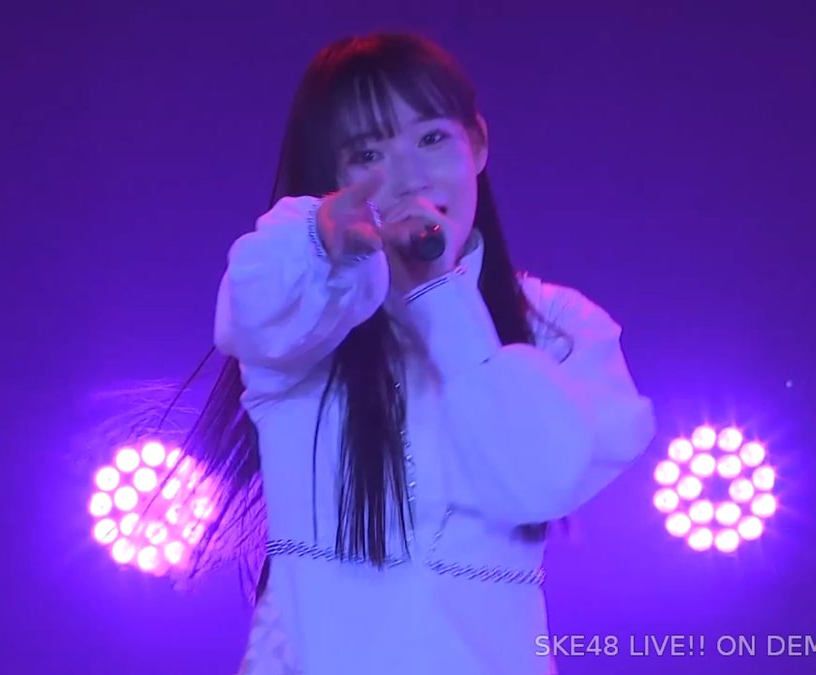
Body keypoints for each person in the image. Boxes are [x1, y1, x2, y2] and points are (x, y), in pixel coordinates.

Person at [170, 31, 656, 674]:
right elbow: (253, 309)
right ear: (332, 179)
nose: (406, 178)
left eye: (431, 139)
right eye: (368, 154)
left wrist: (441, 296)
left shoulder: (558, 325)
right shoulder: (308, 304)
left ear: (477, 144)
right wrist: (323, 238)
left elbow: (539, 481)